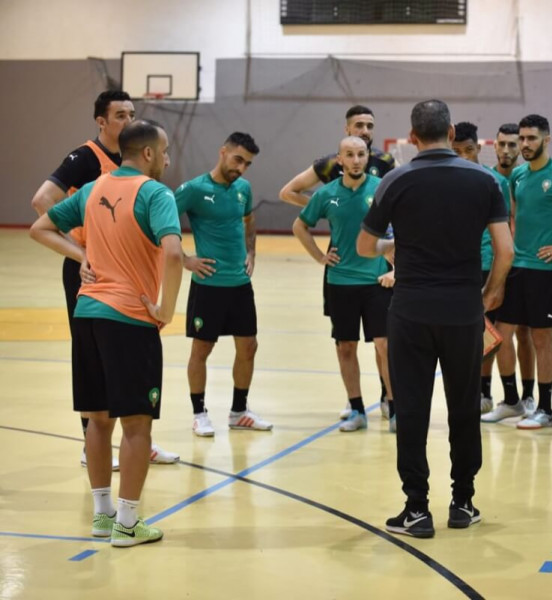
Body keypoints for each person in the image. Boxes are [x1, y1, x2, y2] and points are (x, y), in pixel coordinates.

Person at [358, 99, 513, 538]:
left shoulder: (395, 180)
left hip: (409, 312)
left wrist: (395, 248)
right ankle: (463, 502)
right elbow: (506, 252)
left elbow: (365, 247)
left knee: (412, 410)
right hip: (464, 312)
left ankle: (417, 509)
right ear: (450, 132)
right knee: (464, 407)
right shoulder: (484, 180)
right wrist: (486, 295)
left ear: (411, 137)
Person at [30, 119, 184, 547]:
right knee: (137, 426)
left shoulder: (95, 188)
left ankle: (103, 516)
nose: (168, 159)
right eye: (166, 151)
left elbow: (40, 227)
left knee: (98, 420)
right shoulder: (156, 193)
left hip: (87, 313)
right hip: (130, 318)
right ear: (149, 154)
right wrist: (166, 309)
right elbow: (173, 252)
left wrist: (80, 255)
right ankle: (129, 523)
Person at [481, 114, 552, 429]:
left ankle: (544, 408)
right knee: (501, 337)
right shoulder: (517, 176)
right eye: (522, 139)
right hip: (516, 268)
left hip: (547, 271)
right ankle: (511, 401)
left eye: (531, 138)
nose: (525, 144)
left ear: (546, 140)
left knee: (541, 338)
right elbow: (515, 215)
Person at [279, 105, 395, 420]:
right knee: (346, 344)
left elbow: (401, 222)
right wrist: (328, 208)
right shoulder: (328, 173)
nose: (365, 131)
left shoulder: (385, 170)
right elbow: (290, 197)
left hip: (378, 271)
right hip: (342, 273)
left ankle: (391, 401)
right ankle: (356, 405)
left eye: (370, 126)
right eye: (358, 125)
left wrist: (396, 263)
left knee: (385, 344)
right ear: (342, 152)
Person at [175, 132, 272, 436]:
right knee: (202, 349)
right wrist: (185, 259)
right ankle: (199, 412)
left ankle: (239, 411)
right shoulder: (193, 189)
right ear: (223, 152)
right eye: (238, 159)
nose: (242, 168)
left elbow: (248, 220)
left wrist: (252, 251)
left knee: (249, 346)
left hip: (239, 284)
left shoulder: (243, 188)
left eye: (248, 164)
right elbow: (157, 223)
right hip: (208, 285)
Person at [450, 122, 512, 414]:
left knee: (488, 334)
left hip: (488, 266)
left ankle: (486, 394)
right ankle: (471, 393)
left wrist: (499, 281)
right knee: (463, 336)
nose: (464, 156)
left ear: (479, 148)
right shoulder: (445, 179)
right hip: (458, 268)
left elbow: (507, 229)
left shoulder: (494, 181)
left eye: (469, 150)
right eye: (457, 151)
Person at [490, 123, 537, 413]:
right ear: (494, 147)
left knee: (526, 332)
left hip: (525, 265)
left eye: (512, 144)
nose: (507, 150)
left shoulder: (525, 178)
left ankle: (529, 395)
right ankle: (506, 396)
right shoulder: (488, 179)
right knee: (495, 333)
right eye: (502, 144)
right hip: (492, 263)